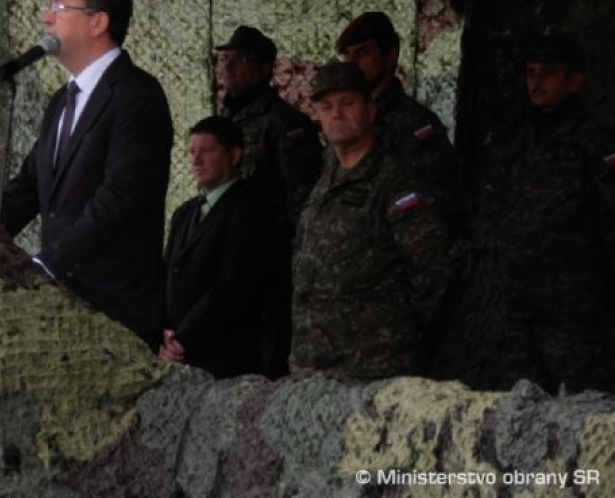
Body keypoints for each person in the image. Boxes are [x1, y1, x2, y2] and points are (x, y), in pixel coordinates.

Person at [0, 0, 173, 349]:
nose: (47, 18)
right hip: (64, 309)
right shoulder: (61, 100)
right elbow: (28, 187)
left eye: (59, 7)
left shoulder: (137, 96)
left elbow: (119, 198)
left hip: (116, 313)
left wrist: (48, 264)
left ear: (98, 22)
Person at [448, 36, 615, 393]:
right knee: (521, 406)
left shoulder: (594, 141)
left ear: (575, 80)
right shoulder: (518, 136)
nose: (536, 83)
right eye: (530, 73)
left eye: (548, 73)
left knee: (579, 408)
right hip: (518, 305)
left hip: (572, 311)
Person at [291, 59, 456, 379]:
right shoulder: (324, 180)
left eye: (347, 103)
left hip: (372, 369)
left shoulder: (396, 183)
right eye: (326, 106)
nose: (336, 113)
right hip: (313, 369)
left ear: (370, 110)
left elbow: (433, 276)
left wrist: (395, 338)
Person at [215, 25, 323, 377]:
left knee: (268, 356)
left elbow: (302, 199)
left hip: (270, 261)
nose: (228, 68)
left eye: (239, 60)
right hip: (231, 257)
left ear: (264, 69)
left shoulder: (283, 124)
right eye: (225, 60)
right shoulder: (228, 118)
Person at [161, 116, 273, 378]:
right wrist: (163, 332)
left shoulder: (251, 209)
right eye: (192, 152)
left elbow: (234, 285)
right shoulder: (184, 213)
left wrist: (185, 339)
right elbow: (166, 273)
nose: (196, 160)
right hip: (176, 352)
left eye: (207, 151)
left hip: (223, 357)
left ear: (234, 155)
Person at [337, 11, 466, 237]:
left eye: (363, 52)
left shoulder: (415, 124)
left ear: (390, 56)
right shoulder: (344, 119)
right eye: (347, 54)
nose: (351, 63)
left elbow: (440, 203)